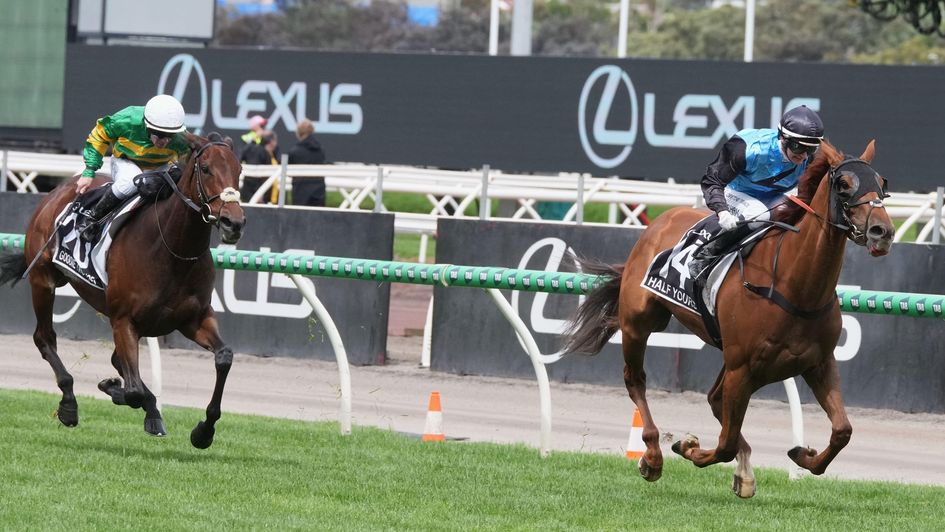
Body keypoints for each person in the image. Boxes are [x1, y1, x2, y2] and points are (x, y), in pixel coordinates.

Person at [688, 105, 824, 280]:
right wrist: (722, 211)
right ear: (783, 138)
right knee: (757, 213)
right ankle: (705, 257)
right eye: (799, 147)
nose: (805, 156)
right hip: (735, 191)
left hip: (772, 196)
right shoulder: (746, 147)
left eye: (811, 149)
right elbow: (712, 181)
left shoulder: (809, 158)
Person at [75, 94, 189, 239]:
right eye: (160, 134)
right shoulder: (127, 120)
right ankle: (92, 219)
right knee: (129, 182)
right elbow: (100, 133)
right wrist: (89, 171)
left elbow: (187, 161)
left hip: (160, 166)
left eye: (170, 135)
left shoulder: (181, 137)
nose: (165, 141)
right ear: (147, 126)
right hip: (127, 161)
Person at [288, 118, 328, 207]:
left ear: (298, 133)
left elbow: (289, 172)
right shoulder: (321, 150)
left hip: (300, 193)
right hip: (319, 193)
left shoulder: (294, 151)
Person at [239, 130, 279, 203]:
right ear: (272, 142)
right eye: (275, 141)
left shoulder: (269, 154)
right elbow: (255, 175)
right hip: (256, 195)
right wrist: (260, 194)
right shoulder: (261, 153)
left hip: (258, 194)